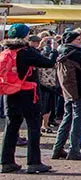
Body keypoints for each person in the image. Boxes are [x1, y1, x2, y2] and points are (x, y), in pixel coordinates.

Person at [0, 24, 55, 174]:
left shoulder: (6, 51)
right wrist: (54, 50)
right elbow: (48, 63)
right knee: (33, 126)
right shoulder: (27, 52)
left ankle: (6, 162)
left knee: (11, 126)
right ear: (24, 36)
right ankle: (34, 162)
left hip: (10, 92)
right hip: (28, 93)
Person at [53, 30, 81, 162]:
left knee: (67, 117)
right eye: (78, 39)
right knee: (78, 119)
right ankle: (74, 150)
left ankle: (58, 148)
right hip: (78, 89)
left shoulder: (62, 51)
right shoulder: (76, 53)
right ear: (71, 41)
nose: (80, 41)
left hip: (67, 90)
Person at [38, 35, 60, 133]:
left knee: (47, 106)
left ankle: (44, 124)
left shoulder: (39, 54)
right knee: (46, 106)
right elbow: (51, 62)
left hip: (47, 83)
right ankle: (44, 125)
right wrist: (54, 49)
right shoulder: (49, 57)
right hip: (47, 83)